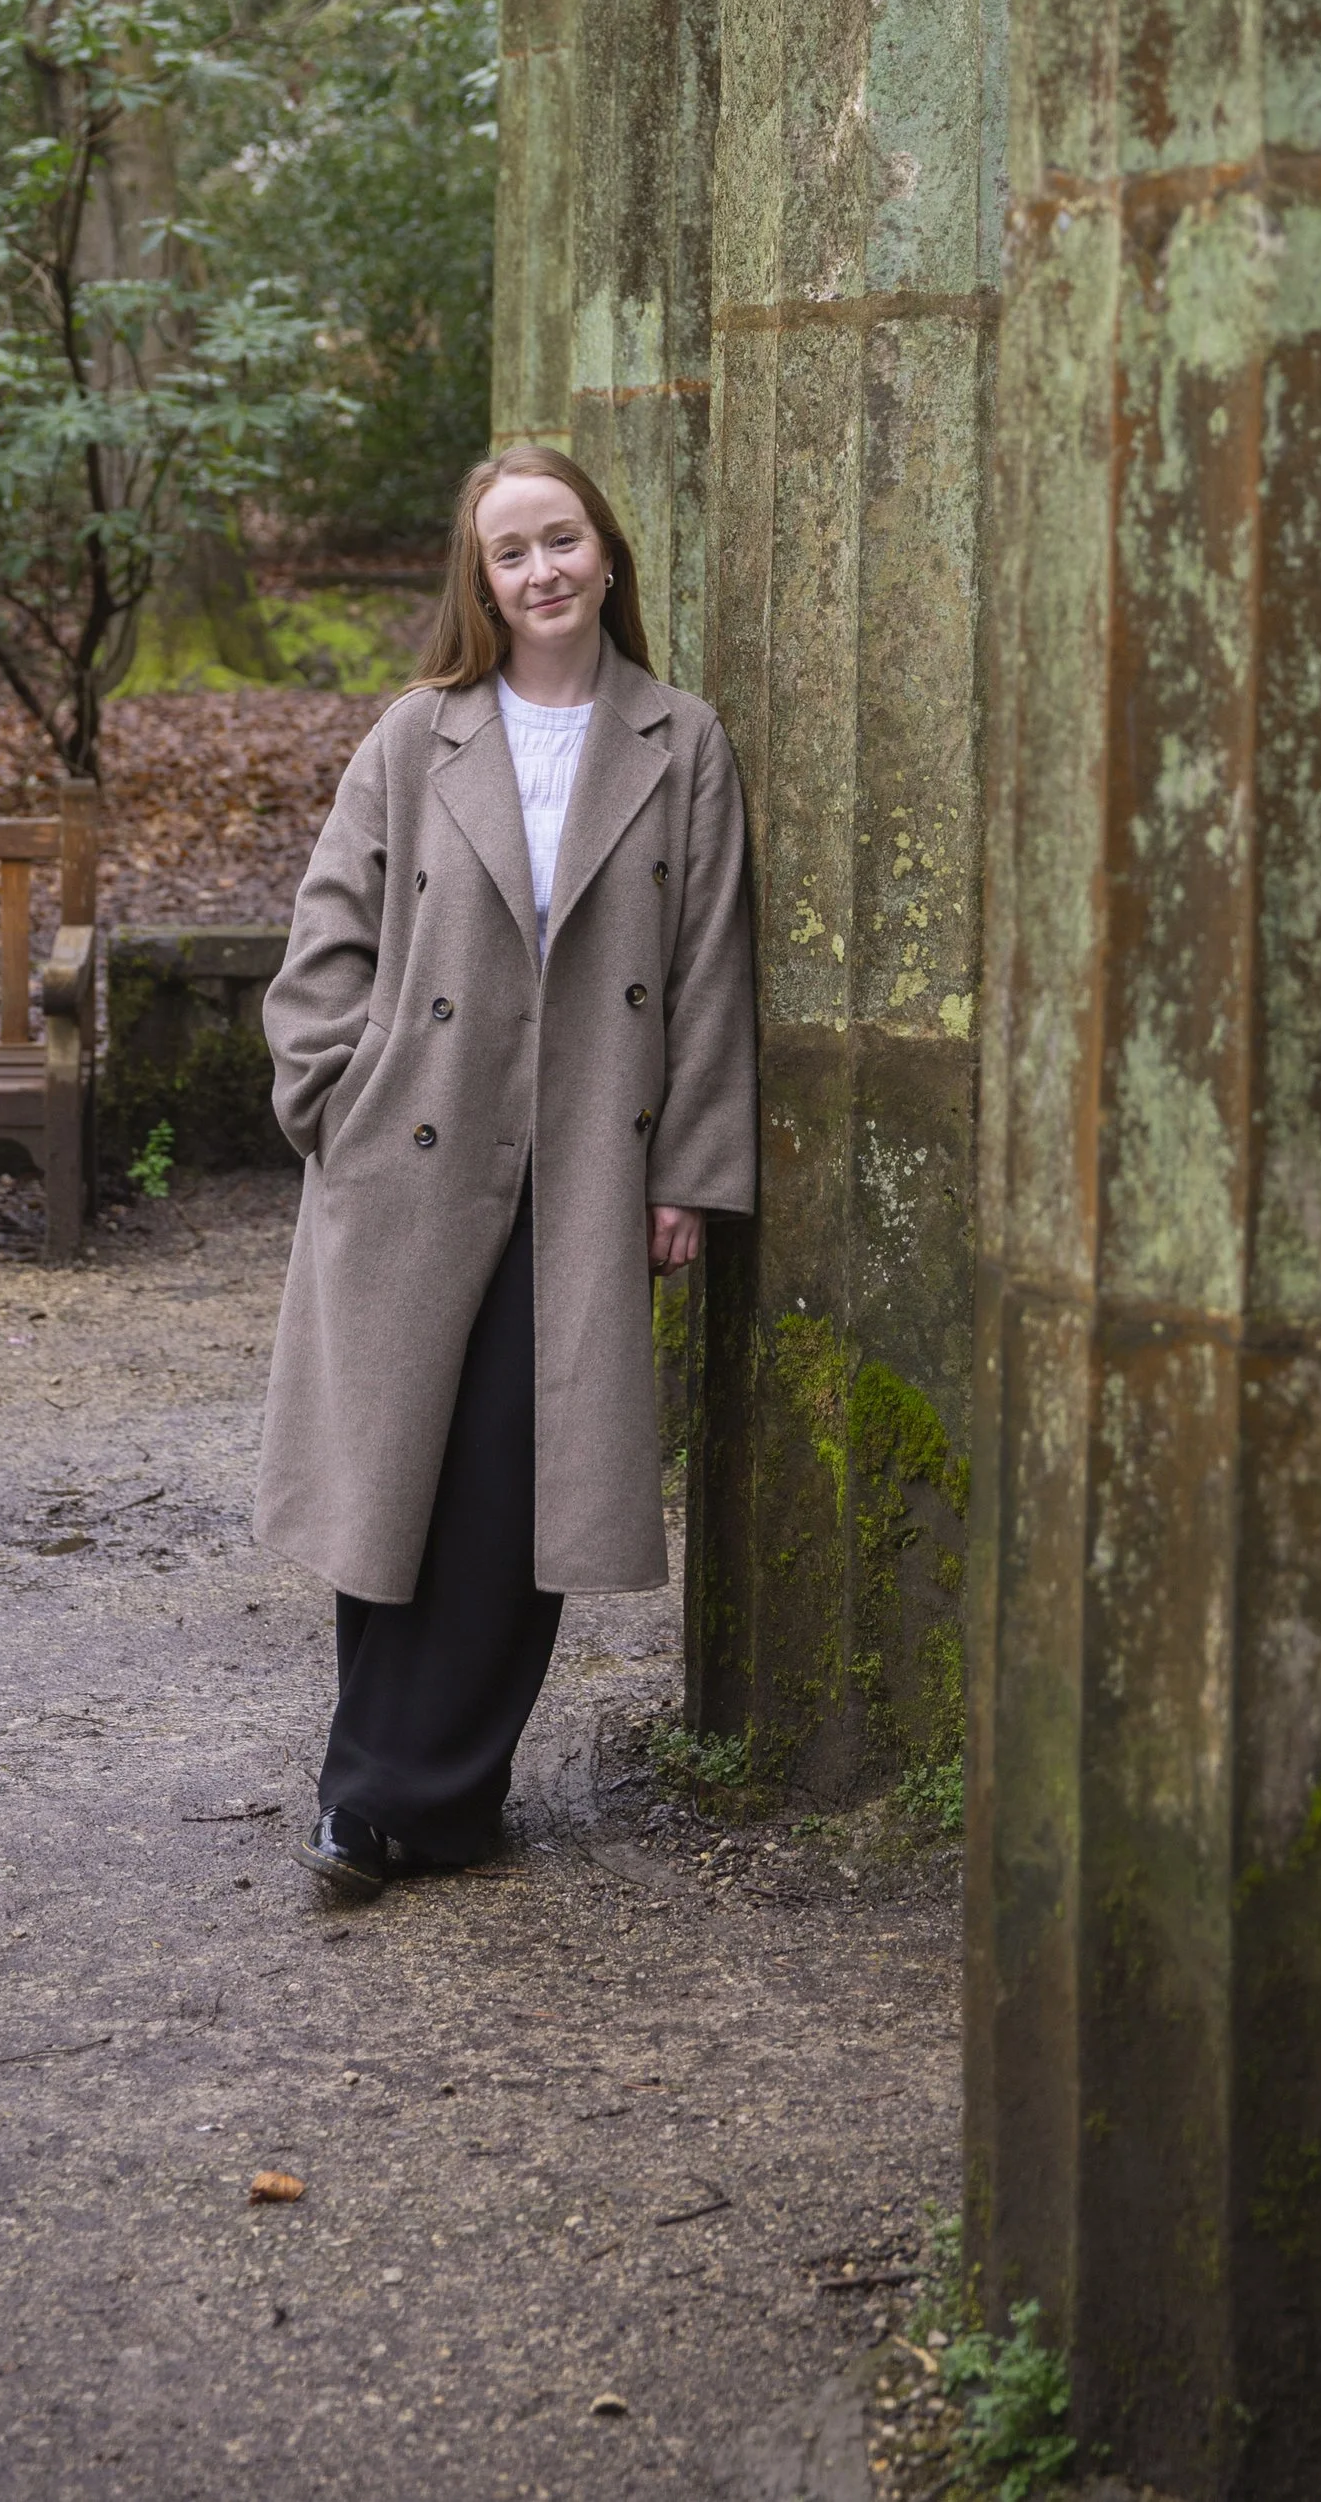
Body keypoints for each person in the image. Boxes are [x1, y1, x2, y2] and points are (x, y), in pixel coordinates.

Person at [255, 441, 757, 1894]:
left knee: (515, 1481)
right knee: (396, 1470)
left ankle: (432, 1792)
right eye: (512, 553)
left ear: (609, 550)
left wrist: (694, 1174)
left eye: (563, 540)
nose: (543, 571)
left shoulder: (682, 741)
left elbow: (712, 967)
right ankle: (375, 1796)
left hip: (589, 1158)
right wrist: (329, 1091)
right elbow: (323, 939)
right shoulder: (419, 735)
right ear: (482, 582)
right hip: (410, 1150)